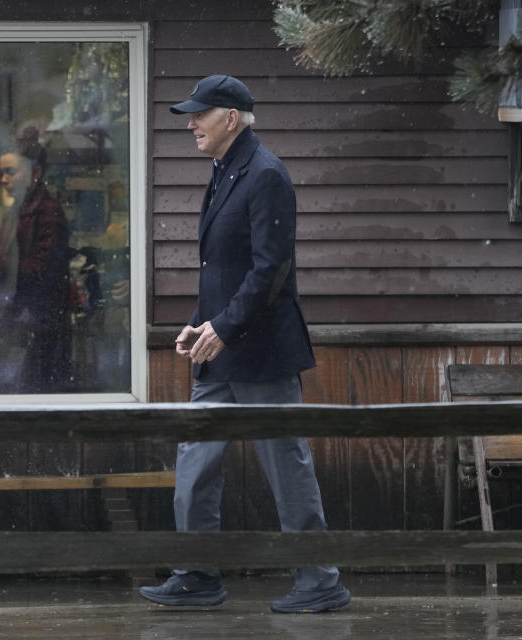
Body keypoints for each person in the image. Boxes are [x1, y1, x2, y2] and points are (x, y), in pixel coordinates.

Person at [138, 75, 351, 614]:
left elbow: (270, 271)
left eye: (199, 114)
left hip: (260, 351)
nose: (190, 124)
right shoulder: (224, 170)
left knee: (286, 464)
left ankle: (319, 580)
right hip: (219, 347)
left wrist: (223, 328)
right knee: (196, 462)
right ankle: (196, 574)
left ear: (230, 117)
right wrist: (199, 324)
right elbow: (221, 270)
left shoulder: (267, 175)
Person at [0, 127, 72, 393]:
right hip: (16, 322)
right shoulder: (16, 210)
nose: (4, 179)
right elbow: (10, 269)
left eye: (11, 171)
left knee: (32, 394)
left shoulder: (48, 211)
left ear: (35, 172)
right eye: (2, 173)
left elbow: (42, 271)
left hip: (39, 328)